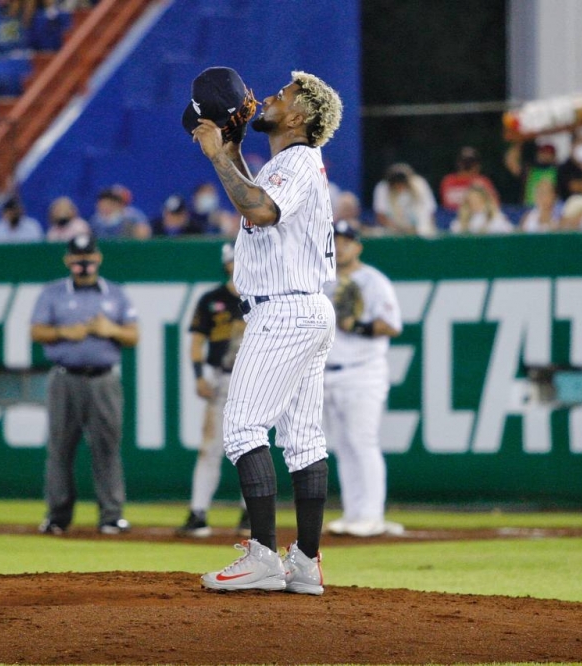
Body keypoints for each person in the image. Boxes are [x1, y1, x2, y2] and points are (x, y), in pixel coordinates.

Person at [190, 68, 342, 594]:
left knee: (242, 429)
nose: (270, 98)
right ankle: (305, 561)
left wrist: (216, 156)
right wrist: (229, 149)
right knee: (302, 441)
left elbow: (260, 209)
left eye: (282, 95)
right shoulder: (290, 163)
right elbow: (253, 193)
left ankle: (262, 555)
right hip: (304, 308)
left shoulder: (297, 160)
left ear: (300, 115)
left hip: (284, 310)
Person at [30, 233, 139, 535]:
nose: (84, 265)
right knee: (60, 447)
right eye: (78, 260)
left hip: (103, 378)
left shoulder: (115, 294)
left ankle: (111, 515)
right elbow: (37, 331)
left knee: (107, 447)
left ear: (98, 258)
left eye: (88, 259)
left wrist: (110, 328)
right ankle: (57, 516)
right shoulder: (53, 293)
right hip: (65, 377)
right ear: (68, 260)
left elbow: (133, 335)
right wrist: (65, 332)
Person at [322, 220, 404, 538]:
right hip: (328, 373)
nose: (340, 245)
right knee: (343, 446)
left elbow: (391, 325)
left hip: (363, 372)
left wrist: (355, 325)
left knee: (362, 441)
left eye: (346, 240)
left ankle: (371, 515)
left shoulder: (373, 281)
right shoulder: (321, 280)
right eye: (336, 240)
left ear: (358, 246)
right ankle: (353, 513)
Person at [176, 242, 250, 539]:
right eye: (232, 261)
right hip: (222, 376)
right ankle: (198, 512)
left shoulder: (261, 296)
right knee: (210, 448)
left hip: (254, 380)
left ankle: (250, 512)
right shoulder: (212, 299)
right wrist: (198, 376)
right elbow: (196, 341)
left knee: (250, 448)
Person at [372, 163, 437, 236]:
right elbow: (381, 216)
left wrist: (425, 229)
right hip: (393, 233)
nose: (400, 187)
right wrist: (399, 230)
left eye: (402, 183)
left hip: (420, 231)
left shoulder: (420, 185)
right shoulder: (382, 188)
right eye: (396, 184)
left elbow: (430, 212)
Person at [438, 146, 499, 212]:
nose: (467, 166)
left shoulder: (447, 180)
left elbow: (494, 206)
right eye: (466, 163)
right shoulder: (448, 181)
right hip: (455, 219)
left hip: (474, 218)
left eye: (470, 163)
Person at [449, 184, 514, 235]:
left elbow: (508, 234)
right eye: (471, 200)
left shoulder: (496, 218)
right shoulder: (461, 222)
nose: (474, 203)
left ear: (485, 200)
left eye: (477, 199)